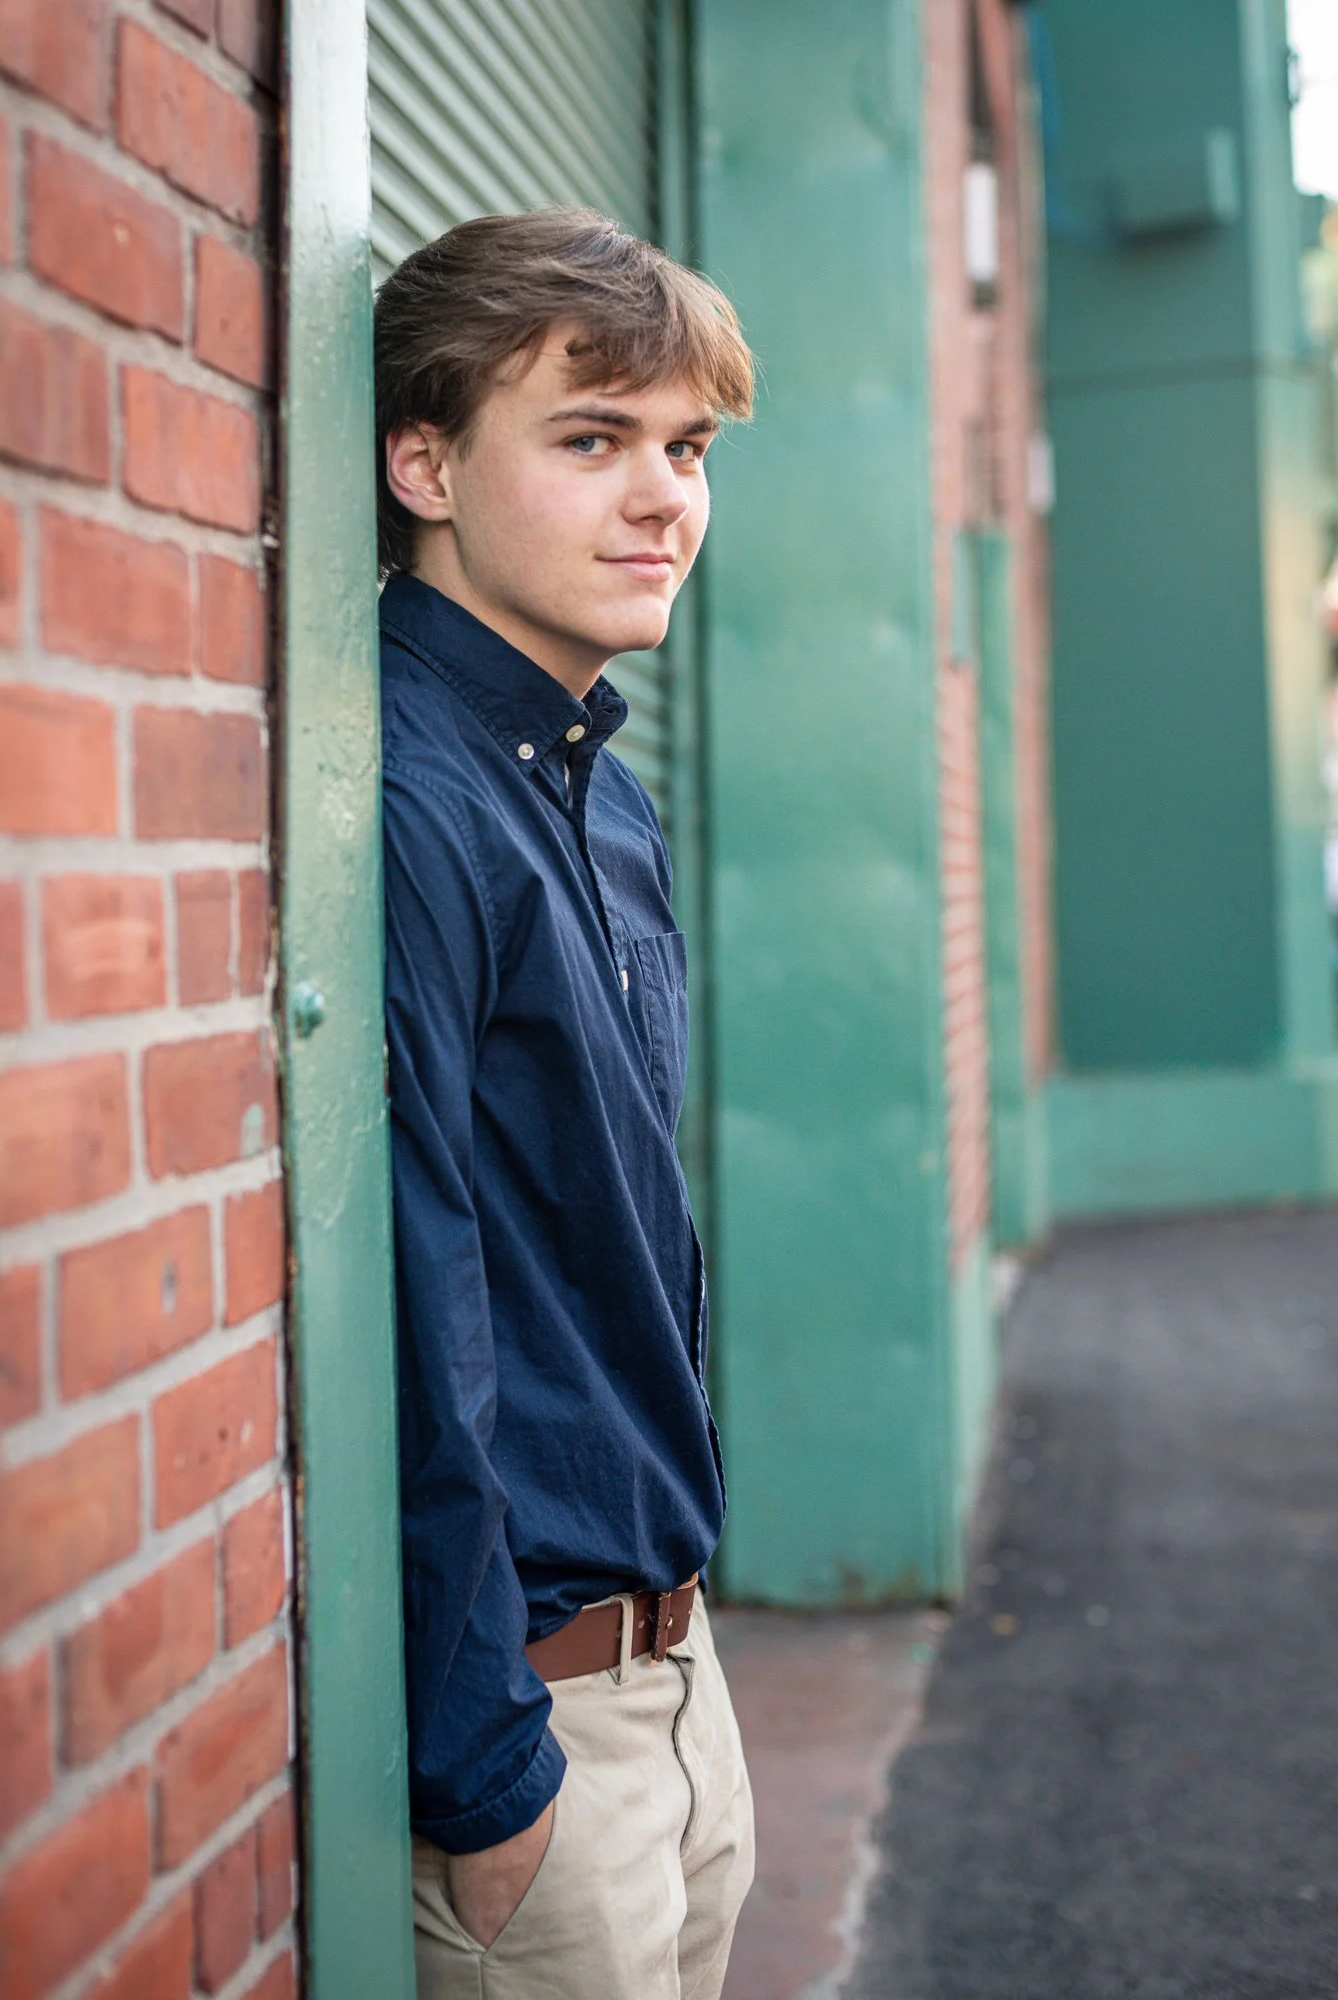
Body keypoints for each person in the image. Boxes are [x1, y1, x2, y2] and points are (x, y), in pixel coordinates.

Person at [373, 209, 757, 2000]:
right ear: (425, 461)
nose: (664, 497)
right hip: (537, 1738)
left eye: (684, 448)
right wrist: (489, 1765)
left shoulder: (610, 796)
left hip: (678, 1678)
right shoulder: (395, 799)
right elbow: (411, 1304)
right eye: (593, 439)